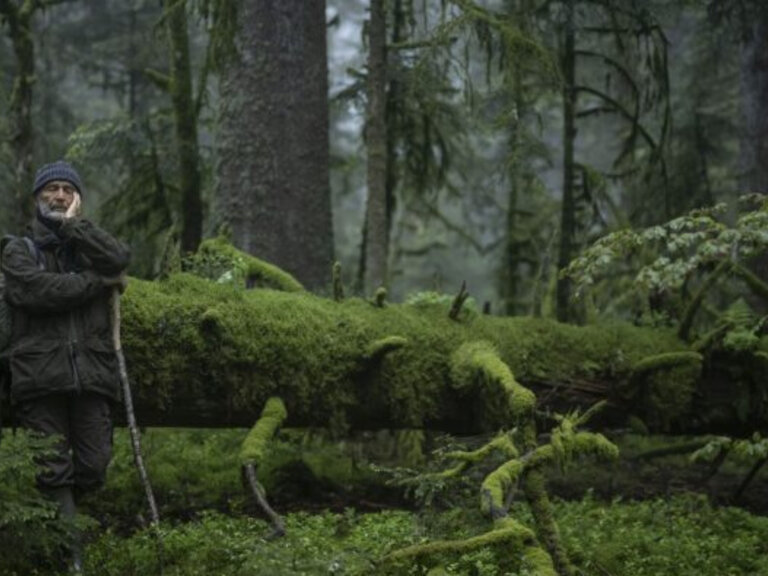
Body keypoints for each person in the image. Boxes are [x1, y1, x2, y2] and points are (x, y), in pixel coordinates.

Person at [0, 160, 130, 572]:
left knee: (94, 465)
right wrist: (95, 285)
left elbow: (118, 258)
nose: (58, 196)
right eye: (51, 189)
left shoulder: (86, 244)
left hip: (91, 375)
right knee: (53, 469)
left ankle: (62, 525)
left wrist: (76, 228)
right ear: (36, 197)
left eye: (67, 190)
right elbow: (37, 292)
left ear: (77, 200)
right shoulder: (18, 249)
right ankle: (71, 560)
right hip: (39, 377)